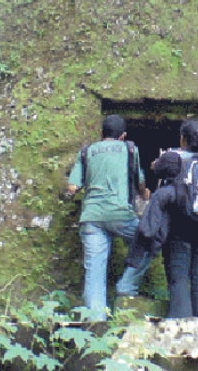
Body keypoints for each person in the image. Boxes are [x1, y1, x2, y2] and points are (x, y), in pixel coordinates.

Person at [67, 115, 152, 321]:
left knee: (94, 270)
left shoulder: (87, 151)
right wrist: (146, 194)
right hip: (121, 215)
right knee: (150, 239)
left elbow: (72, 187)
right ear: (123, 136)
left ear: (100, 133)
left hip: (92, 217)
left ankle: (97, 322)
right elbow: (139, 182)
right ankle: (126, 285)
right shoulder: (130, 149)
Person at [162, 119, 198, 318]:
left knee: (179, 278)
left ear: (182, 139)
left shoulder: (173, 157)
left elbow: (157, 169)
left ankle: (181, 328)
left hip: (181, 226)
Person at [124, 151, 182, 270]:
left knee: (127, 282)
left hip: (151, 245)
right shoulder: (182, 191)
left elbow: (148, 228)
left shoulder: (162, 194)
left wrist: (137, 256)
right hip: (180, 241)